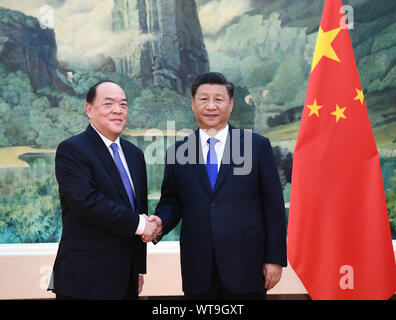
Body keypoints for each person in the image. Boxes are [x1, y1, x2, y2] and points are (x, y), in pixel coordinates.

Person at [145, 72, 287, 299]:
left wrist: (274, 258)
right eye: (203, 99)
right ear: (192, 103)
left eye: (219, 99)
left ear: (230, 104)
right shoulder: (177, 151)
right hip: (198, 268)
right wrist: (160, 221)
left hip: (247, 265)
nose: (211, 106)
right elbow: (171, 202)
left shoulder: (256, 146)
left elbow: (273, 207)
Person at [50, 80, 161, 300]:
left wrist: (138, 268)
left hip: (126, 279)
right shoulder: (72, 150)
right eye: (108, 104)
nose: (117, 110)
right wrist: (142, 225)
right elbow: (87, 203)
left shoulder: (135, 155)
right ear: (89, 110)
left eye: (123, 104)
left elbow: (137, 207)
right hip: (84, 280)